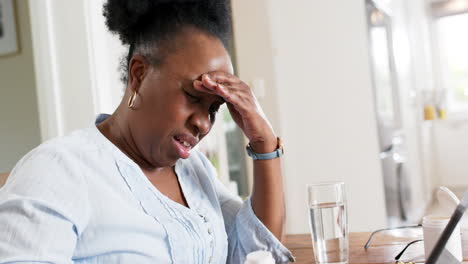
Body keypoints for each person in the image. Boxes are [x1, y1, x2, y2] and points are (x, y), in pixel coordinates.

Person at [0, 0, 294, 263]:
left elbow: (254, 253)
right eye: (193, 97)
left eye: (214, 108)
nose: (203, 123)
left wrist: (264, 143)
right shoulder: (59, 169)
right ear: (139, 74)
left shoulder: (195, 171)